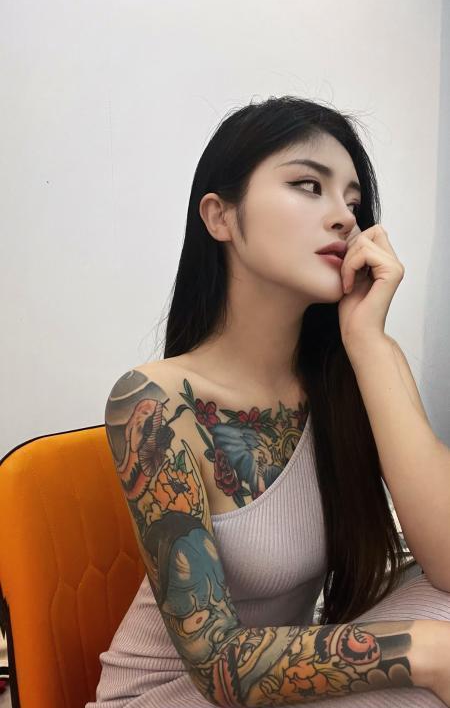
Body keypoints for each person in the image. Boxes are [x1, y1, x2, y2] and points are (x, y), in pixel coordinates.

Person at [86, 96, 450, 707]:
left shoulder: (344, 378)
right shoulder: (154, 402)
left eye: (353, 202)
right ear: (221, 217)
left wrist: (369, 343)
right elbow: (218, 664)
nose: (344, 219)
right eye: (308, 186)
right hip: (178, 695)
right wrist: (425, 651)